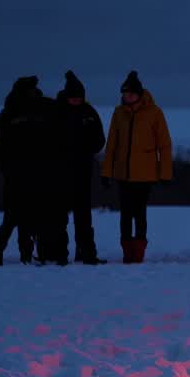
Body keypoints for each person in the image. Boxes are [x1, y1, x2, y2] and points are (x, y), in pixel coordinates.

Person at [101, 71, 172, 264]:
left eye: (131, 93)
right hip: (123, 173)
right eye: (125, 94)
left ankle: (138, 253)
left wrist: (165, 173)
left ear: (139, 94)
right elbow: (112, 144)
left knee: (139, 212)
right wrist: (106, 172)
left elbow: (164, 144)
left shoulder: (154, 112)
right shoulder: (119, 112)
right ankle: (127, 252)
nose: (128, 97)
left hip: (145, 173)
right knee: (125, 213)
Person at [0, 76, 63, 265]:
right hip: (17, 175)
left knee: (38, 216)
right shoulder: (9, 113)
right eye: (29, 89)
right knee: (14, 216)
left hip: (41, 174)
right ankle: (5, 250)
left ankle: (35, 252)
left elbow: (57, 138)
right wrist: (7, 170)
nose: (32, 92)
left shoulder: (46, 108)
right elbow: (1, 147)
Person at [57, 70, 106, 264]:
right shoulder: (57, 113)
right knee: (60, 216)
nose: (77, 101)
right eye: (74, 98)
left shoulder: (89, 112)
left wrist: (88, 149)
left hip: (84, 170)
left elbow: (99, 138)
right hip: (61, 172)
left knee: (83, 215)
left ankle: (87, 253)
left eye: (79, 98)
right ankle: (60, 254)